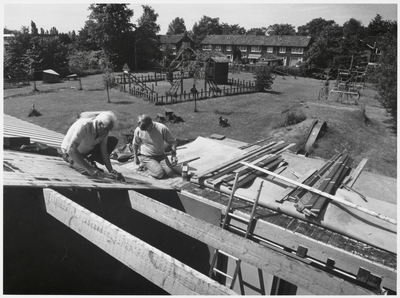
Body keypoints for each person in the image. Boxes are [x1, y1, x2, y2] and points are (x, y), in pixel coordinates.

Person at [61, 111, 120, 177]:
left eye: (109, 130)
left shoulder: (104, 130)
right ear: (99, 123)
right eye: (106, 129)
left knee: (112, 140)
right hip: (70, 153)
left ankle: (89, 162)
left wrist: (111, 171)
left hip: (84, 152)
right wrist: (89, 168)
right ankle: (83, 163)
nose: (107, 132)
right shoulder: (84, 126)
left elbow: (104, 152)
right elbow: (71, 149)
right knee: (89, 171)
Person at [132, 114, 178, 179]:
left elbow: (173, 142)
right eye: (143, 129)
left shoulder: (162, 128)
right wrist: (135, 157)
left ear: (151, 123)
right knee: (159, 174)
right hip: (147, 156)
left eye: (146, 129)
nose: (145, 131)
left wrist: (174, 155)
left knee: (170, 172)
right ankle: (146, 167)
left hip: (161, 155)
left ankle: (154, 167)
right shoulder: (138, 130)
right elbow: (135, 144)